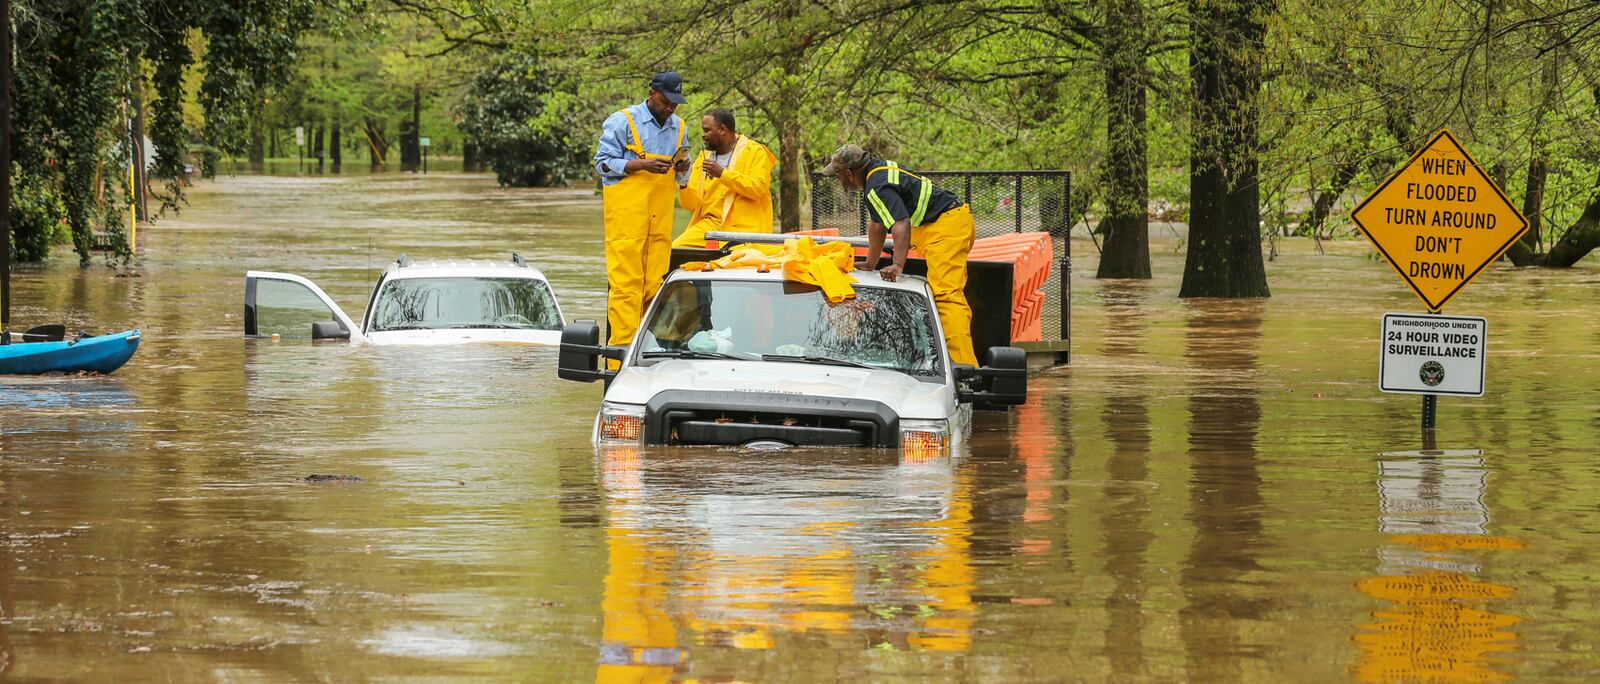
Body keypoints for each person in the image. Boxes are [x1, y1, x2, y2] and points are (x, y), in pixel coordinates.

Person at [822, 144, 978, 367]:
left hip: (946, 228)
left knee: (947, 297)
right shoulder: (877, 174)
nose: (838, 180)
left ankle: (966, 369)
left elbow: (900, 223)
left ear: (848, 173)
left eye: (837, 175)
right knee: (947, 295)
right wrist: (870, 263)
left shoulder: (876, 187)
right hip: (946, 223)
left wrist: (897, 264)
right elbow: (877, 224)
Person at [593, 71, 692, 349]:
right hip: (627, 222)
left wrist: (683, 169)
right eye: (665, 101)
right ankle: (621, 356)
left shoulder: (680, 128)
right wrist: (640, 165)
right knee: (626, 288)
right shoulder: (623, 121)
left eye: (675, 103)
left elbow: (684, 178)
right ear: (652, 93)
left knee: (655, 285)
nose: (670, 107)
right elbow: (601, 164)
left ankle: (652, 351)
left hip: (659, 223)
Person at [672, 108, 776, 248]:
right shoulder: (704, 158)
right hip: (710, 226)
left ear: (722, 130)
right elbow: (692, 205)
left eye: (707, 130)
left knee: (737, 262)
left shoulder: (755, 151)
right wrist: (683, 182)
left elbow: (758, 188)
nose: (703, 135)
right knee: (676, 249)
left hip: (745, 229)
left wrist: (722, 174)